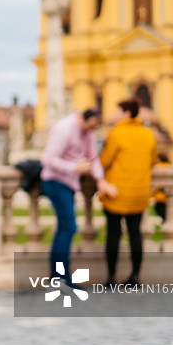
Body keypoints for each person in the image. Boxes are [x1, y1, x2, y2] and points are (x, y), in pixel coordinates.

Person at [41, 108, 118, 290]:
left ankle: (58, 277)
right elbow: (48, 159)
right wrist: (74, 168)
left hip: (68, 184)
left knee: (65, 227)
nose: (92, 131)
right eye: (91, 126)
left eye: (95, 128)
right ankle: (60, 277)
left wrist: (100, 180)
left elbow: (93, 158)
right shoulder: (64, 129)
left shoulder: (88, 131)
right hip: (55, 181)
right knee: (68, 226)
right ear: (82, 118)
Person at [99, 99, 158, 288]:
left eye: (117, 111)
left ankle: (111, 277)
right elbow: (153, 159)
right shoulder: (148, 134)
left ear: (126, 114)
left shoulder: (116, 133)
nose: (114, 115)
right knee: (135, 235)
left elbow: (104, 161)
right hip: (139, 193)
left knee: (114, 235)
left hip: (117, 193)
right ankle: (135, 277)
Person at [153, 153, 171, 223]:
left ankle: (164, 219)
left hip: (161, 195)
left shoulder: (160, 166)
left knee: (158, 209)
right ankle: (164, 219)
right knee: (164, 209)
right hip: (164, 195)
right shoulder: (168, 165)